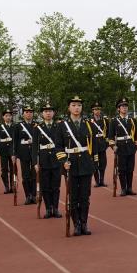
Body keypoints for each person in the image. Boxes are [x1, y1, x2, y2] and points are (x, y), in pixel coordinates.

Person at [61, 96, 94, 236]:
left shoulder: (88, 124)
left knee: (85, 196)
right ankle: (76, 224)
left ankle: (84, 223)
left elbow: (94, 145)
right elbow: (58, 146)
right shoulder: (62, 125)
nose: (76, 108)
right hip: (71, 164)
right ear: (69, 107)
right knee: (73, 196)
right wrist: (63, 161)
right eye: (74, 105)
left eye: (79, 105)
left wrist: (93, 162)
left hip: (85, 163)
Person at [33, 102, 66, 218]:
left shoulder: (59, 126)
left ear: (53, 113)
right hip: (44, 161)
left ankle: (55, 208)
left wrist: (64, 159)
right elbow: (34, 147)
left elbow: (62, 144)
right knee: (45, 187)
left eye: (50, 111)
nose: (48, 113)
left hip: (56, 160)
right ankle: (48, 209)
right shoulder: (37, 128)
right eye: (46, 111)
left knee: (56, 186)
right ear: (42, 114)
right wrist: (35, 162)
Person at [107, 98, 137, 196]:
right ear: (118, 109)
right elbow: (110, 137)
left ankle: (129, 188)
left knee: (130, 169)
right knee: (122, 169)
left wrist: (135, 146)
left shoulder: (132, 120)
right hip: (120, 147)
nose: (125, 108)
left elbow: (135, 135)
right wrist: (113, 146)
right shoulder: (114, 121)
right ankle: (123, 188)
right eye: (122, 106)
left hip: (130, 147)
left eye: (126, 106)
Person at [14, 106, 37, 205]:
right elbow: (15, 141)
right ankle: (28, 195)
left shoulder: (37, 125)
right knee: (26, 175)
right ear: (23, 114)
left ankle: (34, 195)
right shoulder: (18, 126)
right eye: (27, 112)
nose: (29, 114)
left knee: (34, 175)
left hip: (35, 152)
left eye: (30, 112)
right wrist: (14, 153)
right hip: (23, 153)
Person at [0, 110, 16, 193]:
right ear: (3, 117)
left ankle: (12, 185)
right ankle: (6, 186)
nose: (8, 117)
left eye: (9, 116)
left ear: (11, 117)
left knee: (13, 169)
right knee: (4, 169)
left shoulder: (15, 126)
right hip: (3, 150)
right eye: (6, 116)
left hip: (12, 150)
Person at [88, 102, 109, 188]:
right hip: (94, 146)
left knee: (103, 163)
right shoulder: (89, 121)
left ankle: (102, 180)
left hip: (102, 146)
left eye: (99, 109)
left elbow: (108, 133)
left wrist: (106, 143)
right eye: (95, 109)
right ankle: (97, 181)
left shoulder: (105, 121)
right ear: (92, 111)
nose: (97, 111)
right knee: (95, 163)